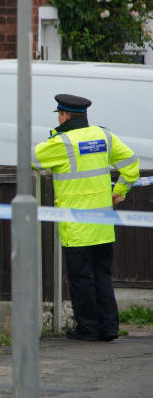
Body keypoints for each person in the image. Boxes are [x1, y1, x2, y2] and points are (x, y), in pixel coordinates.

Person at [34, 94, 139, 342]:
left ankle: (88, 329)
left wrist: (53, 138)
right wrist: (119, 191)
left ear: (65, 115)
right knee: (102, 275)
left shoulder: (62, 143)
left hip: (77, 226)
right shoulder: (104, 136)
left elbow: (32, 159)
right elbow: (132, 164)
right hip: (102, 224)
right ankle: (109, 328)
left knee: (81, 279)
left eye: (59, 114)